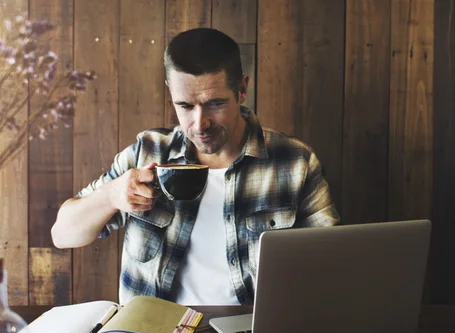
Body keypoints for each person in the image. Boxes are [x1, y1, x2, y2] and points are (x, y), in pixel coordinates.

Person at [51, 28, 340, 306]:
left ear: (241, 90)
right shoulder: (147, 152)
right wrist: (112, 196)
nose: (200, 123)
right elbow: (63, 235)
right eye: (186, 106)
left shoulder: (295, 162)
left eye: (215, 104)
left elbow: (331, 264)